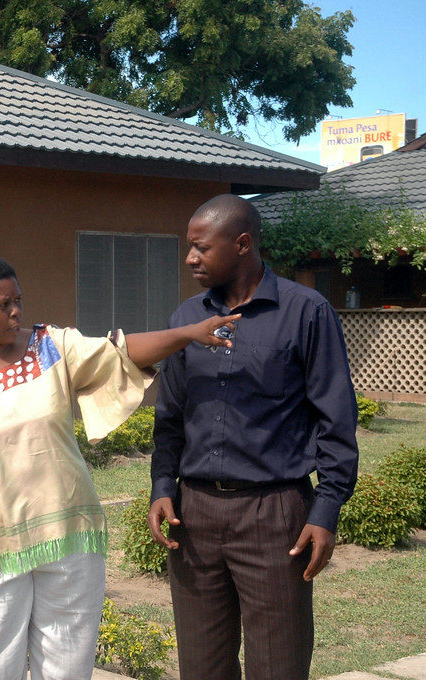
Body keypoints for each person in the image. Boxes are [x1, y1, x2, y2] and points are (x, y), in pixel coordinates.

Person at [0, 253, 239, 680]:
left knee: (69, 664)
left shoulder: (51, 347)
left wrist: (190, 333)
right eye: (3, 305)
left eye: (19, 300)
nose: (17, 311)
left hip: (69, 538)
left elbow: (119, 352)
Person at [147, 194, 360, 680]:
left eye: (201, 247)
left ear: (242, 244)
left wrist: (325, 511)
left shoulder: (307, 313)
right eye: (189, 247)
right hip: (194, 517)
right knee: (202, 666)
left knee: (278, 666)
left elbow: (336, 421)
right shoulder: (186, 319)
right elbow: (170, 417)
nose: (190, 258)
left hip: (274, 517)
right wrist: (163, 487)